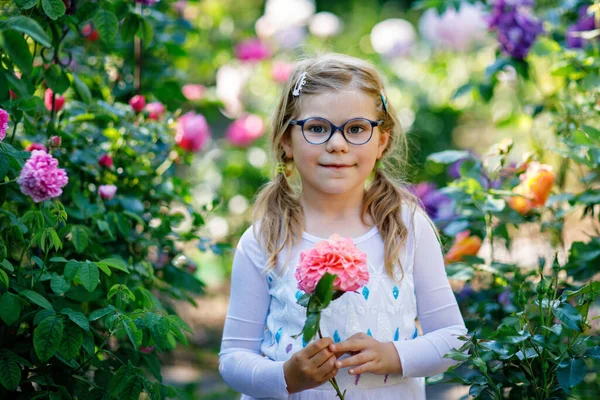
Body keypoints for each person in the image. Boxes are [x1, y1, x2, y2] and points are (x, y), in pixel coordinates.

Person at [218, 53, 467, 399]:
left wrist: (394, 355)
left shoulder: (406, 228)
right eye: (317, 128)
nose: (337, 144)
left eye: (356, 129)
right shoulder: (265, 239)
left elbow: (454, 338)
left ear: (382, 140)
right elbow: (232, 359)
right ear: (286, 141)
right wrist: (285, 377)